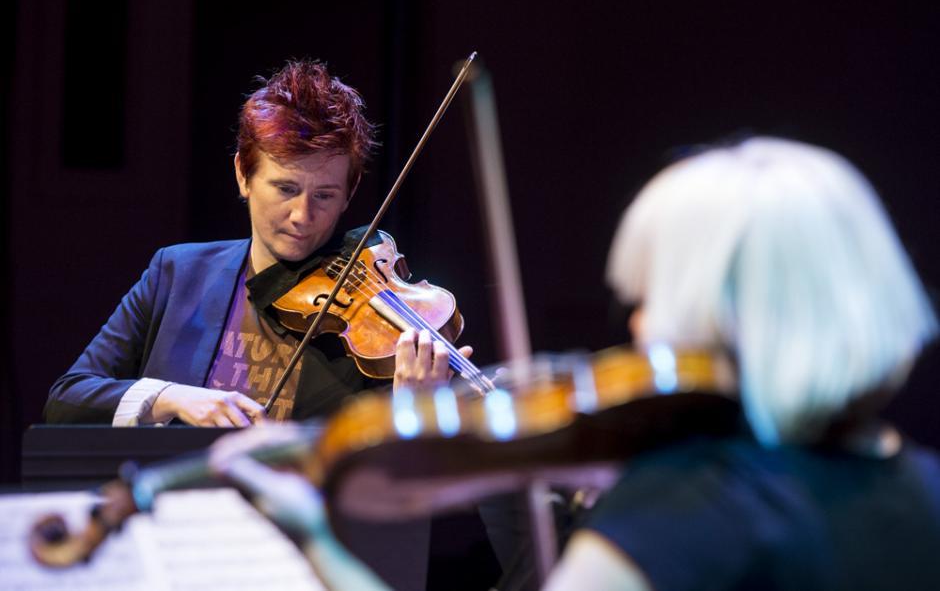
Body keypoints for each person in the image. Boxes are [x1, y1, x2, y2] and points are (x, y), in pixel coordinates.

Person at [211, 136, 939, 590]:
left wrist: (311, 537)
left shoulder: (683, 509)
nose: (638, 324)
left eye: (655, 297)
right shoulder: (925, 493)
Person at [44, 59, 470, 427]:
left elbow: (391, 491)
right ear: (242, 176)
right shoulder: (177, 274)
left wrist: (413, 413)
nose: (303, 216)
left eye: (324, 195)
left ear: (350, 191)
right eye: (285, 189)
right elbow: (67, 399)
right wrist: (173, 397)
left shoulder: (377, 326)